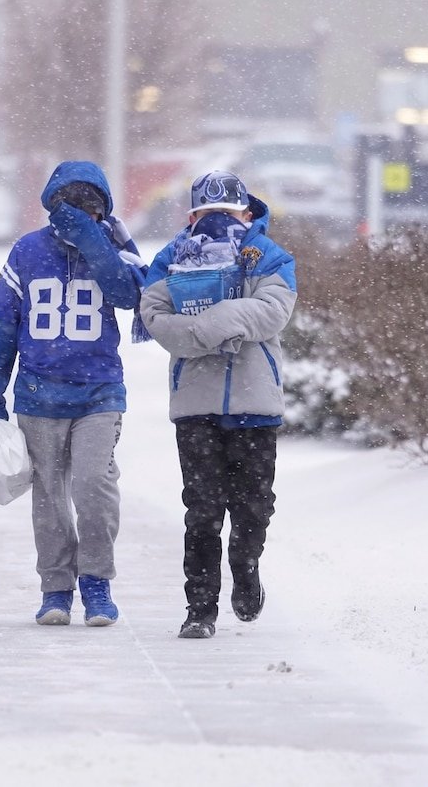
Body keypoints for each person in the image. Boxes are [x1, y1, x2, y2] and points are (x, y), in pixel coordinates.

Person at [0, 161, 146, 626]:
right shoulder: (28, 251)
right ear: (52, 204)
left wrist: (94, 241)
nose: (79, 212)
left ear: (103, 210)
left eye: (90, 204)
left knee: (93, 487)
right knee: (49, 497)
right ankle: (56, 587)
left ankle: (96, 582)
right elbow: (3, 324)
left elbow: (128, 296)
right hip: (38, 394)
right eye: (70, 202)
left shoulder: (114, 249)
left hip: (99, 394)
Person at [138, 171, 297, 639]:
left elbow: (274, 311)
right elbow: (153, 314)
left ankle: (246, 570)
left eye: (226, 215)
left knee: (254, 507)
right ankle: (199, 609)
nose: (216, 223)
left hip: (256, 401)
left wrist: (212, 324)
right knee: (202, 511)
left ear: (247, 215)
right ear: (191, 217)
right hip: (195, 403)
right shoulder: (170, 257)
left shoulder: (269, 256)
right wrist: (207, 335)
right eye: (207, 215)